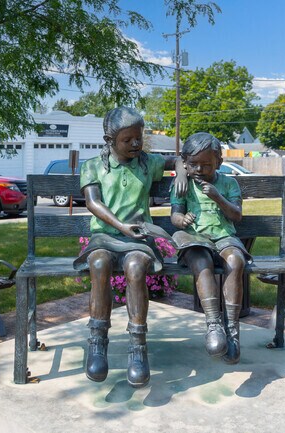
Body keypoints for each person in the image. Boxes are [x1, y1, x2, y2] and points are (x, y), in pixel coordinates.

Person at [73, 107, 186, 388]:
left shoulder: (147, 163)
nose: (136, 144)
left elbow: (179, 158)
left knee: (135, 267)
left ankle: (138, 347)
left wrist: (181, 172)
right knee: (98, 264)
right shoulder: (93, 166)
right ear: (109, 140)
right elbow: (92, 202)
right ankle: (98, 341)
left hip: (138, 238)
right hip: (105, 237)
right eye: (128, 140)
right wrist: (121, 226)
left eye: (139, 137)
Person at [169, 132, 251, 364]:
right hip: (195, 239)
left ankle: (232, 331)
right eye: (193, 164)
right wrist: (182, 220)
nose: (199, 170)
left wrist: (218, 198)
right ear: (185, 163)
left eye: (206, 165)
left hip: (224, 237)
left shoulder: (228, 183)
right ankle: (214, 324)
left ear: (219, 163)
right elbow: (175, 215)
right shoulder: (182, 184)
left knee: (236, 261)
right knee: (201, 262)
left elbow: (236, 216)